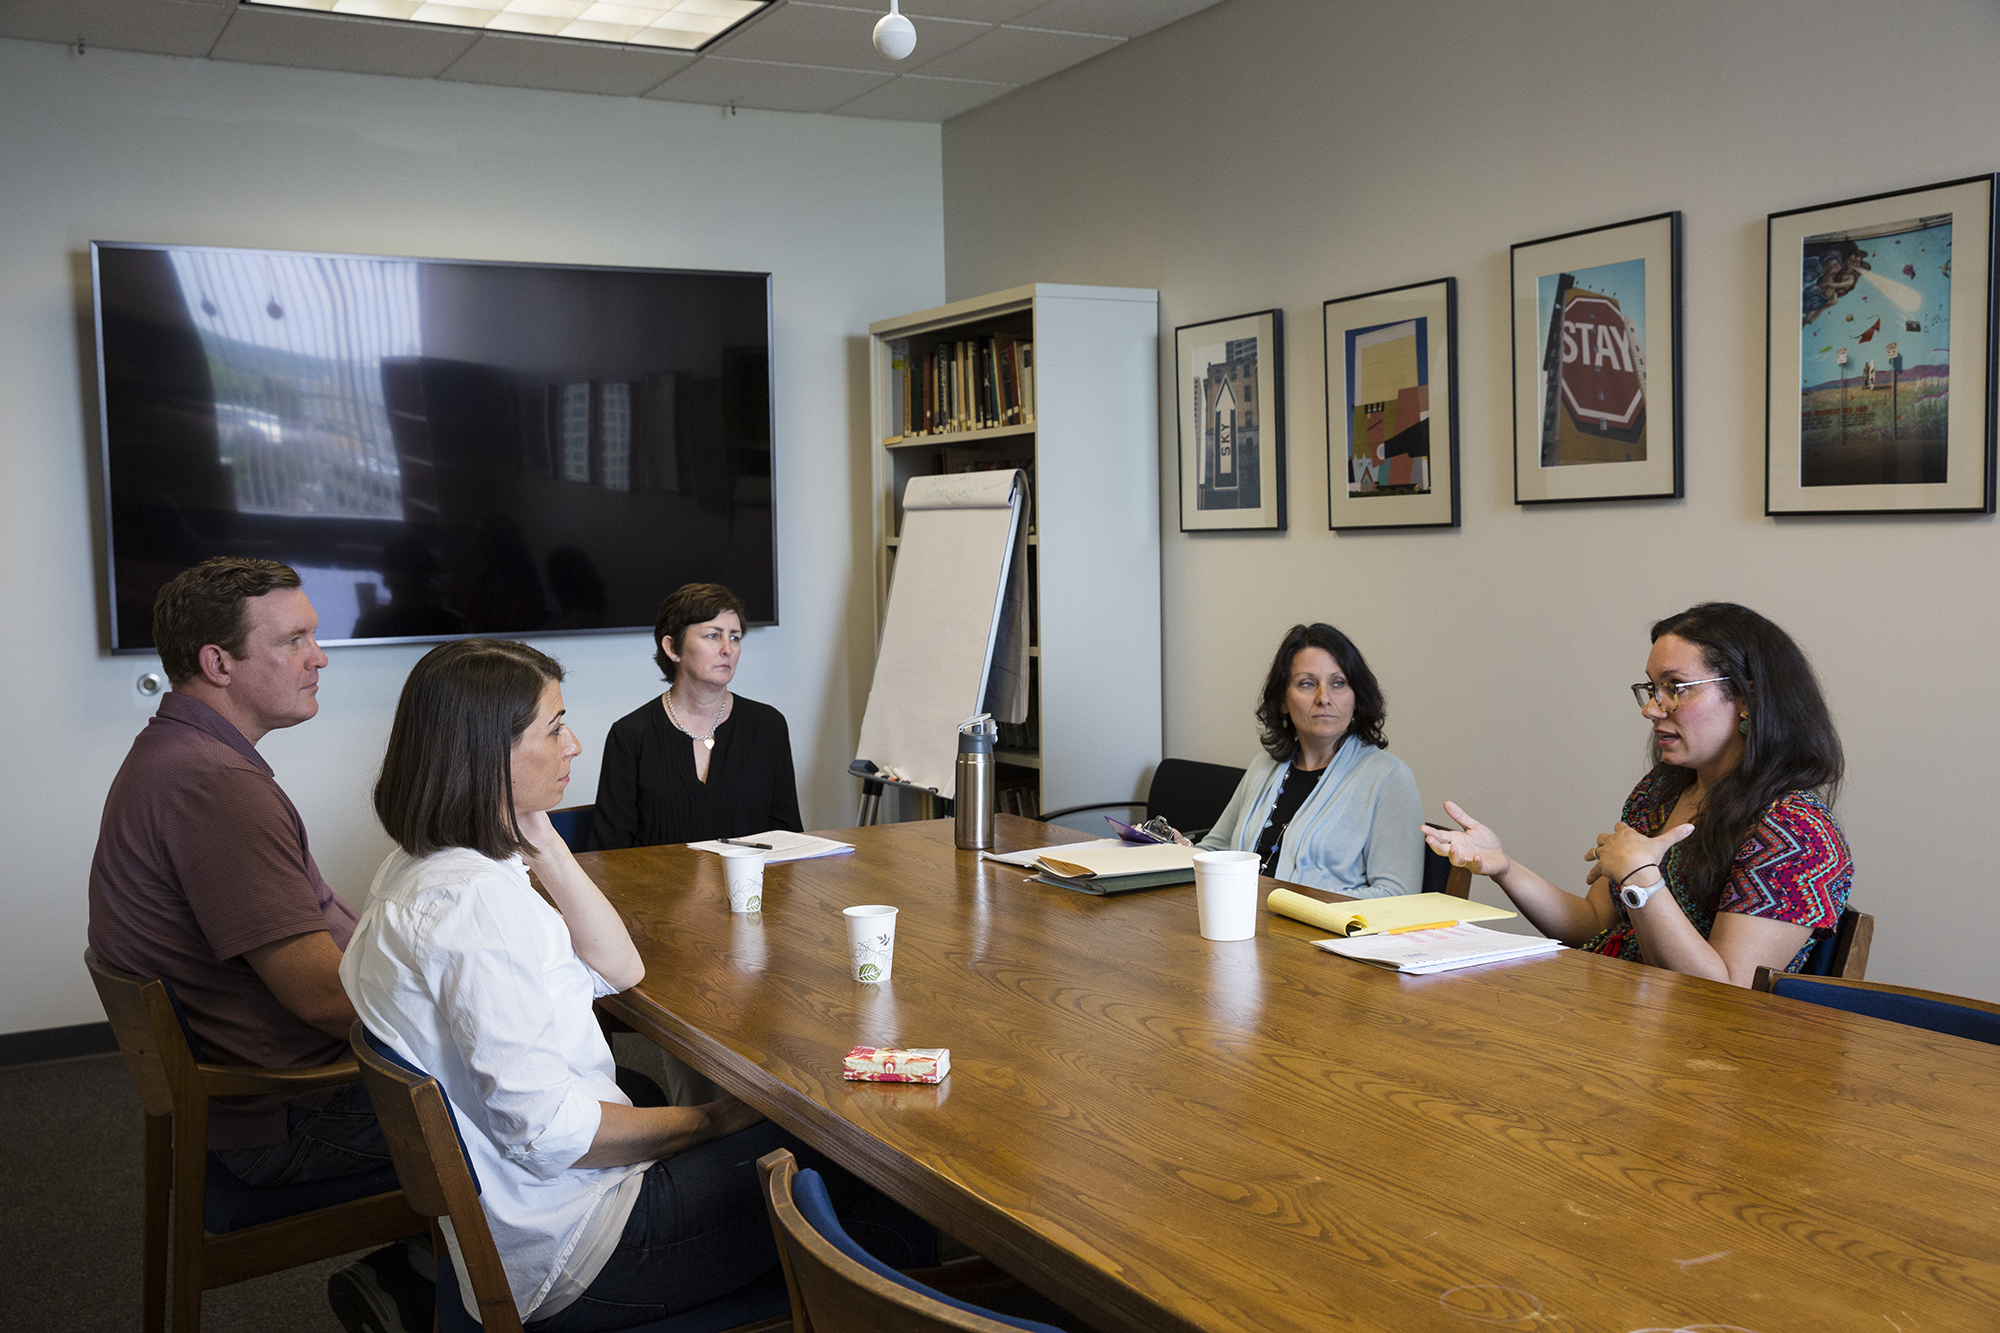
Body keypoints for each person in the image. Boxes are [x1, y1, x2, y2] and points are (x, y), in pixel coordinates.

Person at [343, 639, 928, 1330]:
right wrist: (708, 1122)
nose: (575, 744)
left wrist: (543, 837)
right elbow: (552, 1135)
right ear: (486, 754)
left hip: (523, 1217)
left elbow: (621, 969)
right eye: (554, 728)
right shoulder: (479, 909)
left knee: (697, 1104)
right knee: (880, 1157)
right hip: (584, 1249)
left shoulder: (417, 868)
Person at [87, 558, 428, 1332]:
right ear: (218, 663)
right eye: (296, 639)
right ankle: (438, 1289)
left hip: (254, 1089)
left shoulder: (177, 755)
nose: (321, 655)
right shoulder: (217, 785)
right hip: (283, 1114)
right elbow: (323, 998)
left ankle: (411, 1277)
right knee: (557, 1095)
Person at [1423, 602, 1852, 986]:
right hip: (1615, 1015)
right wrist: (1503, 867)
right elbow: (1594, 926)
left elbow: (1727, 991)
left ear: (1746, 697)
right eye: (1652, 688)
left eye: (1677, 688)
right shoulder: (1660, 793)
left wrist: (1642, 880)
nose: (1651, 707)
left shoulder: (1796, 831)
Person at [1196, 622, 1423, 898]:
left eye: (1338, 683)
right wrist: (1175, 848)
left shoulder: (1389, 777)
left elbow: (1397, 897)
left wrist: (1300, 905)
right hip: (1243, 924)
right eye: (1307, 684)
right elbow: (1214, 852)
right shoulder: (1263, 766)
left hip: (1322, 935)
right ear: (1282, 699)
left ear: (1357, 697)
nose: (1324, 698)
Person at [589, 583, 802, 850]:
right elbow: (609, 852)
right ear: (673, 648)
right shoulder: (630, 734)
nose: (728, 649)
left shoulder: (768, 726)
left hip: (753, 890)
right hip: (656, 889)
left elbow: (789, 838)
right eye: (713, 636)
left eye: (734, 637)